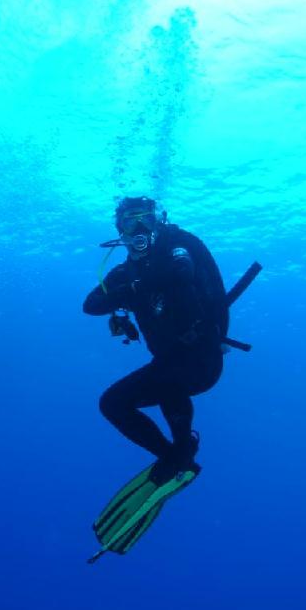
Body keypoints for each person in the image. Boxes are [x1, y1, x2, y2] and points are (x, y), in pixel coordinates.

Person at [83, 196, 228, 484]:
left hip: (203, 356)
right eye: (130, 221)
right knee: (112, 404)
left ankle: (181, 452)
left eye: (145, 218)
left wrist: (133, 289)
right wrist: (126, 290)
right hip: (168, 362)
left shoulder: (177, 245)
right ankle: (174, 456)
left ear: (156, 220)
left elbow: (182, 272)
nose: (138, 227)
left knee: (168, 378)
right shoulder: (125, 272)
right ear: (120, 229)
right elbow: (91, 305)